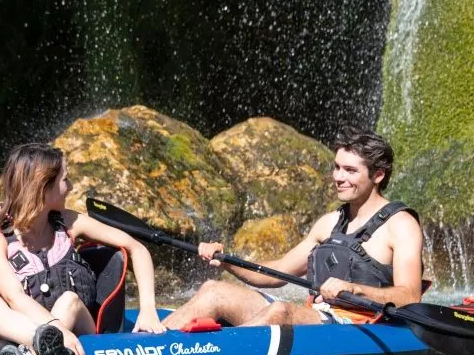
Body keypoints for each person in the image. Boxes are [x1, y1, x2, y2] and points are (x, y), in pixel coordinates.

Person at [161, 127, 423, 330]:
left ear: (378, 175)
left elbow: (410, 296)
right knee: (213, 290)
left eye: (350, 170)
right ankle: (149, 346)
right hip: (318, 315)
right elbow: (276, 273)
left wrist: (356, 289)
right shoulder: (329, 222)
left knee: (281, 312)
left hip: (358, 325)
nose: (338, 177)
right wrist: (226, 261)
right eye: (336, 167)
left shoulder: (401, 225)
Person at [0, 143, 165, 355]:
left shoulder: (70, 223)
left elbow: (137, 248)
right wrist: (56, 329)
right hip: (14, 334)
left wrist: (148, 309)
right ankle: (42, 345)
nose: (72, 186)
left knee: (69, 300)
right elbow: (15, 298)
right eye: (65, 180)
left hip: (75, 324)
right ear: (43, 187)